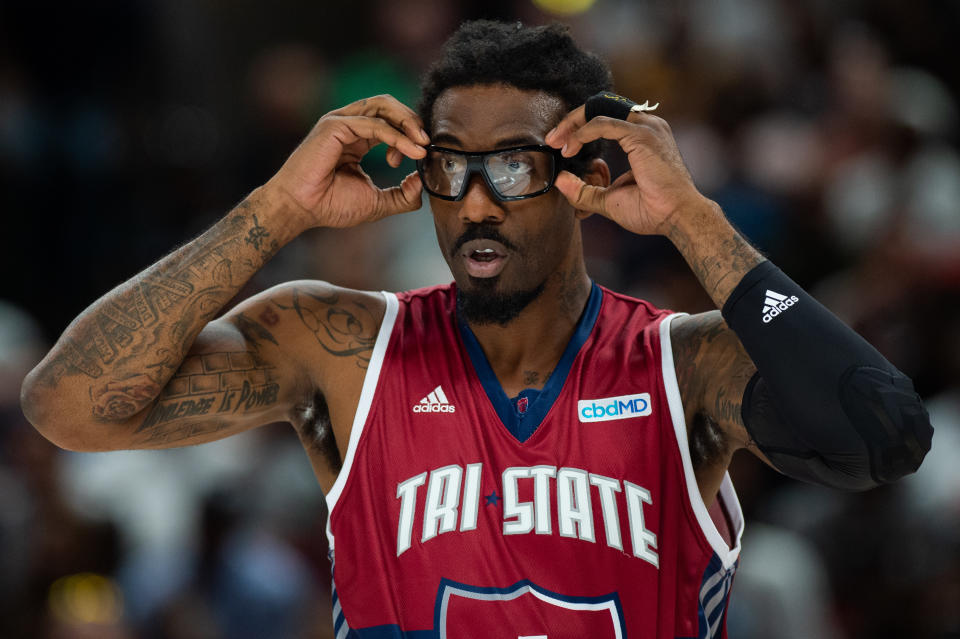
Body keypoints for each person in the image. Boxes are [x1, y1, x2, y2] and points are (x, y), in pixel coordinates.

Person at [20, 20, 932, 638]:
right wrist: (272, 212)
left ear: (585, 174)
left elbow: (884, 434)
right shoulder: (340, 349)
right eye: (452, 167)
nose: (478, 203)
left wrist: (694, 220)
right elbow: (68, 406)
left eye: (512, 167)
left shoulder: (683, 362)